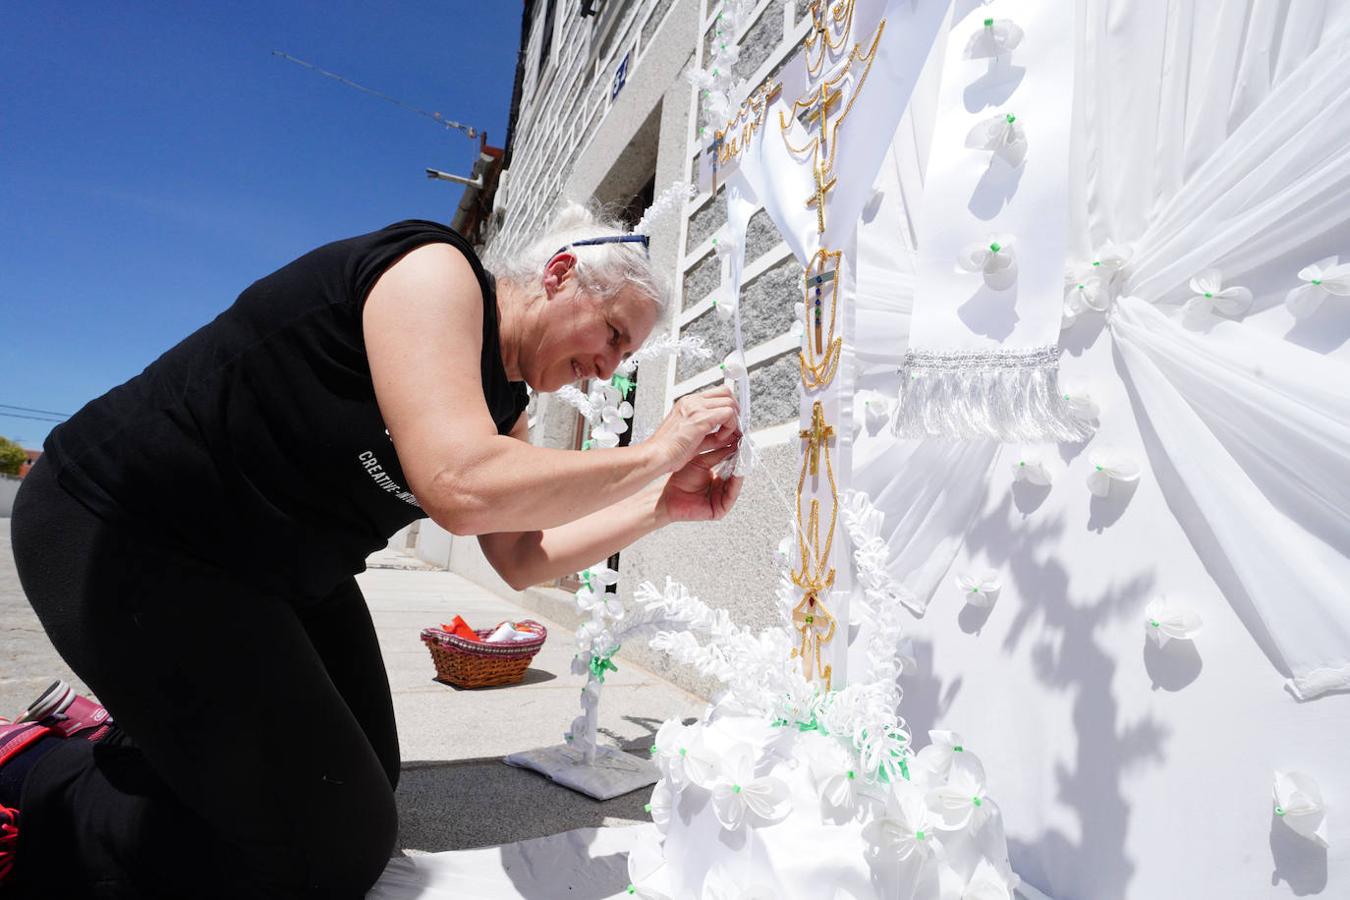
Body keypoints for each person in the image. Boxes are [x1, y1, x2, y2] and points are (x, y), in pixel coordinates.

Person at [1, 205, 743, 897]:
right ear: (558, 275)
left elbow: (521, 557)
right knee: (331, 848)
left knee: (363, 779)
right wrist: (657, 451)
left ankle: (151, 738)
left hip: (274, 573)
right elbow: (457, 484)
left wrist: (659, 505)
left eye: (626, 353)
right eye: (613, 334)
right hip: (130, 525)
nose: (611, 367)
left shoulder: (506, 405)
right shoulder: (433, 271)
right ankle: (40, 775)